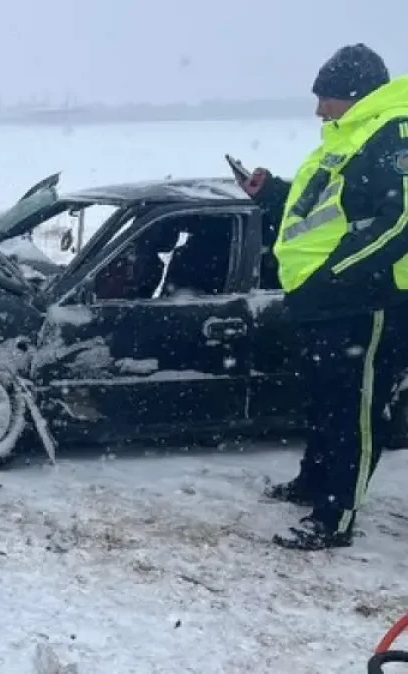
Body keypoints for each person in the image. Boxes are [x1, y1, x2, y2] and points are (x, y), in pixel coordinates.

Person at [238, 43, 408, 550]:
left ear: (354, 93)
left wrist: (335, 276)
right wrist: (272, 193)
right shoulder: (347, 135)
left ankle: (336, 517)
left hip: (366, 300)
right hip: (323, 301)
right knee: (325, 402)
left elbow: (399, 221)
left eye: (325, 98)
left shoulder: (394, 131)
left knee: (354, 412)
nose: (318, 110)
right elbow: (324, 210)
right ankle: (314, 481)